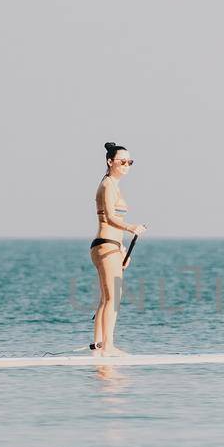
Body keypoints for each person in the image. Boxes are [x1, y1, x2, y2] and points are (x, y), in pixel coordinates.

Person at [90, 141, 147, 357]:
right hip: (104, 246)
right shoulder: (106, 185)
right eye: (122, 161)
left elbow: (112, 220)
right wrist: (131, 227)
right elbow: (111, 217)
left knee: (107, 297)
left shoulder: (114, 185)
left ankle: (97, 345)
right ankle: (108, 346)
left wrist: (122, 248)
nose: (126, 166)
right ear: (110, 161)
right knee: (113, 297)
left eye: (129, 162)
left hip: (112, 246)